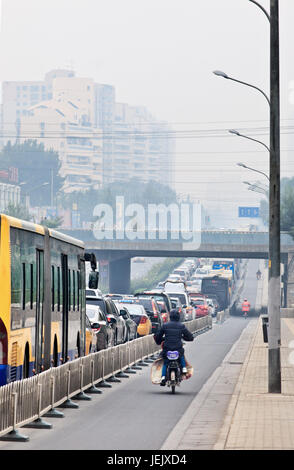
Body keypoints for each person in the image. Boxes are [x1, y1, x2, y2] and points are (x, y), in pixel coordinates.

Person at [153, 309, 194, 386]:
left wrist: (160, 339)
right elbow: (189, 336)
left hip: (167, 348)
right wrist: (185, 337)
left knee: (165, 362)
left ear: (170, 317)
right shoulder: (181, 326)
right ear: (178, 317)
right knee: (181, 355)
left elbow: (158, 336)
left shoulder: (165, 326)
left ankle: (163, 377)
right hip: (178, 348)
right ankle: (184, 368)